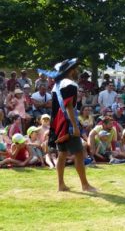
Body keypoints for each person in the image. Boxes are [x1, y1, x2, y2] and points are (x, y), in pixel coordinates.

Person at [46, 58, 96, 192]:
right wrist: (74, 126)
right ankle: (85, 185)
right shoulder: (71, 85)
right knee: (79, 153)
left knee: (62, 153)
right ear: (71, 70)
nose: (77, 70)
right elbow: (68, 106)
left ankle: (61, 184)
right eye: (75, 68)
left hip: (57, 123)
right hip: (67, 123)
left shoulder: (57, 85)